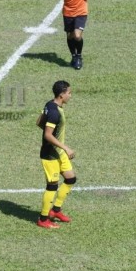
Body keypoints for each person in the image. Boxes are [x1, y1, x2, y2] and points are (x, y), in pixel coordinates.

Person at [36, 80, 77, 229]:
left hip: (58, 153)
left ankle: (56, 210)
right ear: (61, 95)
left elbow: (39, 122)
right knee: (52, 186)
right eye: (69, 93)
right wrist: (66, 147)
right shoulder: (54, 112)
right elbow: (48, 135)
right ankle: (43, 219)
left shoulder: (50, 104)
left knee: (70, 179)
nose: (70, 96)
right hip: (50, 155)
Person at [53, 0, 92, 70]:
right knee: (70, 36)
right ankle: (73, 56)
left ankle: (79, 56)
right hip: (68, 11)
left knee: (77, 35)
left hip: (81, 10)